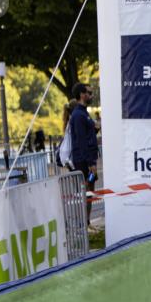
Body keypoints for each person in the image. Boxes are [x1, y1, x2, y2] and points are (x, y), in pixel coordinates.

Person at [68, 83, 100, 225]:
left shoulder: (84, 113)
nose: (91, 95)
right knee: (86, 191)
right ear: (82, 94)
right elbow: (81, 142)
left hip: (89, 160)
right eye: (89, 92)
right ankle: (83, 224)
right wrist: (90, 164)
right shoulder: (78, 115)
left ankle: (87, 222)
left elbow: (87, 136)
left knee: (90, 191)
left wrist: (95, 129)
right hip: (83, 162)